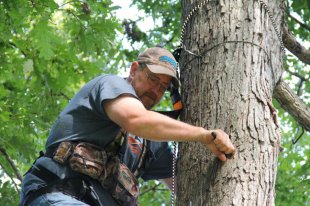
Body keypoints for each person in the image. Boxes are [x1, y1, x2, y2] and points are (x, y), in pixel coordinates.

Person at [20, 47, 235, 206]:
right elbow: (136, 120)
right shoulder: (111, 85)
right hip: (58, 196)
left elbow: (184, 183)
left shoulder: (150, 144)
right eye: (152, 79)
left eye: (163, 88)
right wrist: (205, 135)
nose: (155, 90)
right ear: (134, 70)